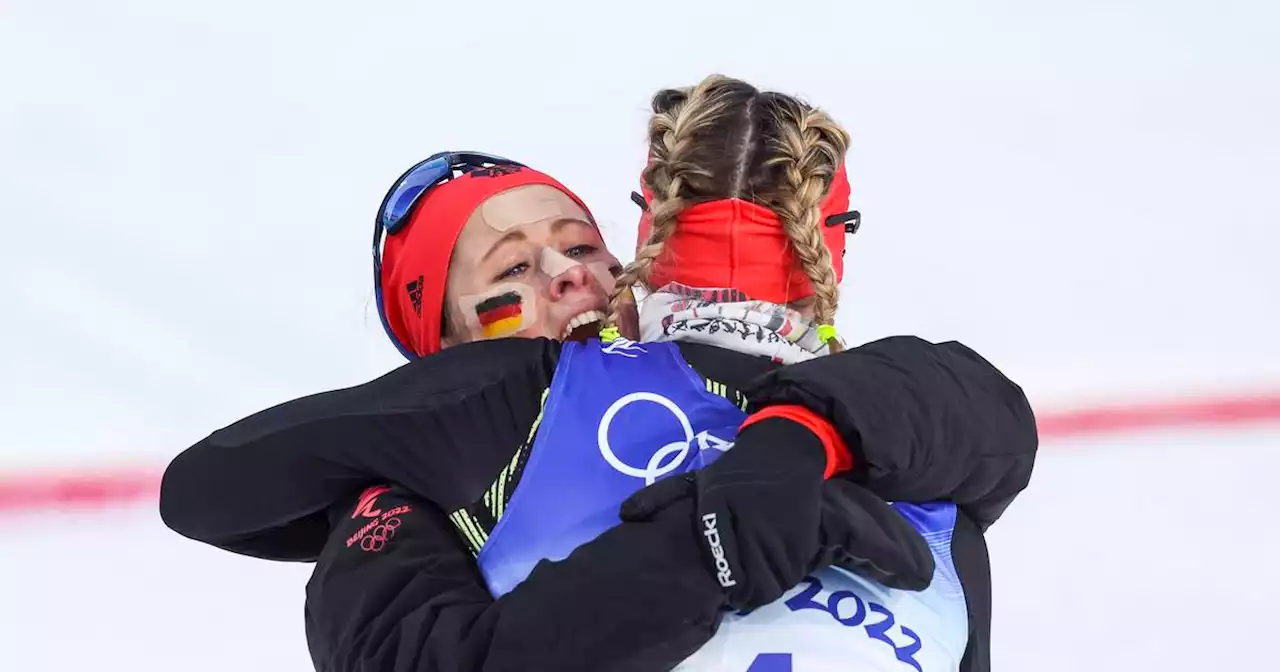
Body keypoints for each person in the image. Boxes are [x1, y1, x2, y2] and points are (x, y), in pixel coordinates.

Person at [161, 76, 1036, 672]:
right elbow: (208, 488)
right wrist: (707, 548)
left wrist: (799, 445)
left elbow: (984, 414)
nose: (566, 274)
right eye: (509, 274)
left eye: (582, 246)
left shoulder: (827, 398)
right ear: (442, 348)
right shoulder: (415, 499)